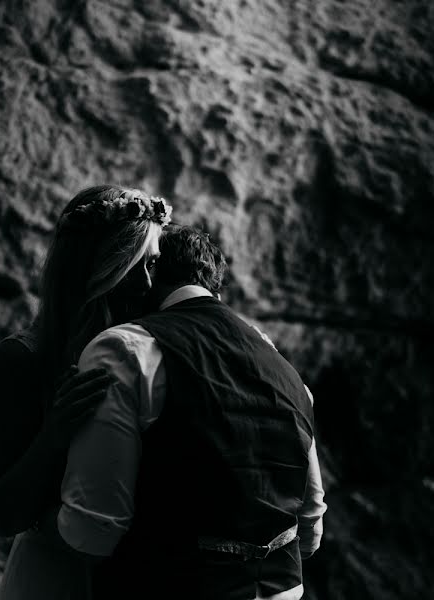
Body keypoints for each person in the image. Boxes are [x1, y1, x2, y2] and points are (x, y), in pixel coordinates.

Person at [56, 225, 327, 599]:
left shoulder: (124, 349)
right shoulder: (277, 361)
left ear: (148, 275)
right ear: (214, 284)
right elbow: (310, 528)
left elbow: (92, 531)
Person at [0, 185, 172, 599]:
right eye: (130, 264)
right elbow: (0, 512)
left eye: (152, 264)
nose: (144, 282)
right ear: (96, 267)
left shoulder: (158, 354)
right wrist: (54, 435)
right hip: (53, 575)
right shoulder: (25, 357)